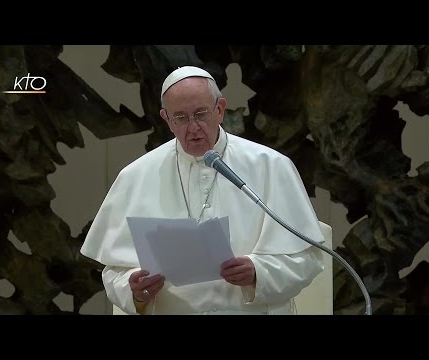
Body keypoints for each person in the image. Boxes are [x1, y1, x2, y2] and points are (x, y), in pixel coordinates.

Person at [80, 65, 326, 315]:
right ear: (166, 119)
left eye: (201, 114)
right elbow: (114, 272)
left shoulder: (270, 166)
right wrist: (133, 289)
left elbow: (307, 259)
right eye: (181, 118)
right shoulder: (135, 176)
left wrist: (257, 272)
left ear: (220, 109)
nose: (193, 127)